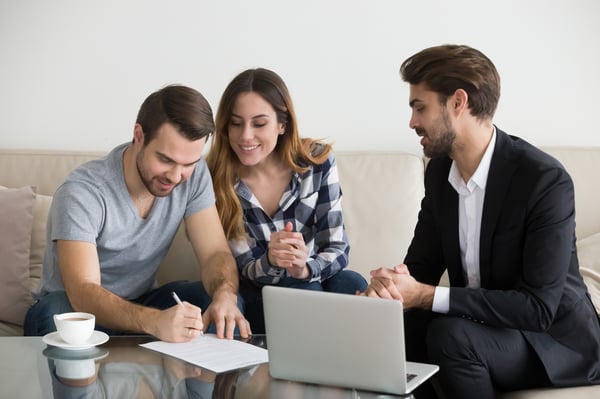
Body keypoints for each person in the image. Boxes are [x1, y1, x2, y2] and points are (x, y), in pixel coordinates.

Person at [364, 44, 600, 398]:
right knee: (399, 328)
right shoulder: (441, 171)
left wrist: (426, 296)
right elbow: (421, 267)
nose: (412, 122)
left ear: (458, 102)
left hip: (552, 340)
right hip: (483, 326)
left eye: (419, 107)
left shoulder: (543, 180)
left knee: (450, 335)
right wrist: (389, 290)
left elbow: (537, 309)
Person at [24, 85, 251, 342]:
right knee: (54, 315)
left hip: (143, 302)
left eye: (188, 164)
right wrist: (154, 322)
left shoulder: (195, 176)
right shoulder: (83, 191)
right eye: (165, 160)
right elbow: (83, 292)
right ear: (139, 135)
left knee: (221, 306)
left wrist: (225, 295)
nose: (176, 176)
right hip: (75, 310)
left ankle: (210, 380)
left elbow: (215, 253)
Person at [205, 68, 367, 333]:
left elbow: (337, 248)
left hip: (311, 277)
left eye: (259, 124)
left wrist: (303, 267)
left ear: (282, 124)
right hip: (258, 291)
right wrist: (272, 259)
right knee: (302, 289)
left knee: (350, 283)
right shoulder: (216, 178)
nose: (246, 136)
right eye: (236, 123)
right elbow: (243, 267)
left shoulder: (317, 161)